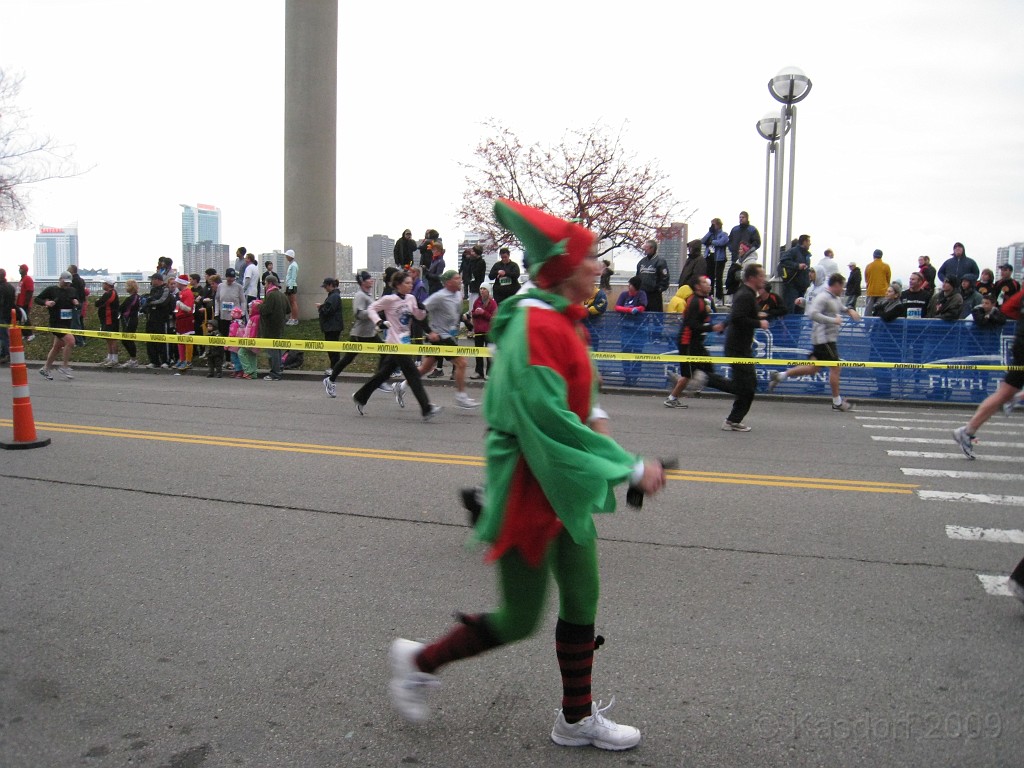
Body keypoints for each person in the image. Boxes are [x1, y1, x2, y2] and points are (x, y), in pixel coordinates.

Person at [387, 198, 666, 750]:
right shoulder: (537, 326)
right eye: (589, 260)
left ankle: (575, 718)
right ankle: (418, 660)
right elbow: (544, 419)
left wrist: (601, 420)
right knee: (520, 617)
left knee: (583, 596)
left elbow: (576, 395)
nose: (599, 268)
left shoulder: (560, 320)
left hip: (564, 480)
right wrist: (627, 467)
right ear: (562, 269)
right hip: (530, 486)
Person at [686, 263, 769, 431]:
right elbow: (738, 318)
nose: (764, 279)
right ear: (752, 278)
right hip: (737, 348)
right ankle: (706, 379)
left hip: (741, 346)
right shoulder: (745, 294)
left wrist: (725, 324)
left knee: (748, 386)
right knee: (746, 387)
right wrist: (759, 322)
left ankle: (732, 419)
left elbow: (734, 315)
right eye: (761, 276)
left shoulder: (747, 294)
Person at [351, 271, 441, 421]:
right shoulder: (389, 299)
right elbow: (372, 309)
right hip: (394, 343)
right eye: (407, 283)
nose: (410, 285)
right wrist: (378, 322)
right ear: (398, 285)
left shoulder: (411, 298)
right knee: (413, 375)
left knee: (383, 374)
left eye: (411, 283)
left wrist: (421, 310)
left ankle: (360, 396)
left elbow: (419, 317)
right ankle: (426, 408)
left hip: (405, 342)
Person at [767, 273, 860, 411]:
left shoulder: (835, 298)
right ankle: (837, 402)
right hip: (824, 339)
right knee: (836, 368)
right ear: (836, 285)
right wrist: (833, 320)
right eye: (842, 287)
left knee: (813, 368)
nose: (843, 290)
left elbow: (841, 308)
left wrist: (850, 311)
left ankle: (780, 376)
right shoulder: (822, 297)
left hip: (828, 339)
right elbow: (812, 314)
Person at [412, 270, 480, 409]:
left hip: (447, 334)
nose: (460, 280)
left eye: (460, 278)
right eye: (456, 278)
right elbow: (420, 312)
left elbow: (455, 314)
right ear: (448, 282)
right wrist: (429, 332)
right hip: (439, 336)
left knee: (425, 368)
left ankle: (400, 386)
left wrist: (467, 322)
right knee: (461, 362)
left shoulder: (458, 295)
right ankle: (461, 397)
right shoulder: (439, 296)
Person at [664, 276, 727, 408]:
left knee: (706, 368)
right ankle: (673, 396)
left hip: (695, 342)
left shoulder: (701, 302)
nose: (708, 286)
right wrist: (712, 327)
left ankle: (678, 384)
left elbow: (702, 321)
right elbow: (692, 324)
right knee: (689, 374)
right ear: (698, 287)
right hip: (687, 341)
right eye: (704, 283)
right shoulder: (695, 302)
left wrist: (715, 327)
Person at [323, 271, 384, 397]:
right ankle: (331, 380)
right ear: (363, 282)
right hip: (359, 334)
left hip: (370, 334)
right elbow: (358, 314)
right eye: (368, 279)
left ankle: (379, 380)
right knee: (347, 359)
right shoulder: (360, 296)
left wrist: (378, 320)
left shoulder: (368, 295)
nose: (371, 280)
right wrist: (373, 312)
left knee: (385, 353)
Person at [34, 271, 79, 380]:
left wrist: (77, 303)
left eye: (69, 283)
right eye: (65, 282)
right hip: (56, 322)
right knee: (71, 341)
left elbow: (78, 303)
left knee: (57, 347)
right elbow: (37, 299)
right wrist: (46, 303)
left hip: (67, 322)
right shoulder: (52, 290)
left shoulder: (72, 290)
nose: (67, 285)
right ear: (60, 279)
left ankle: (45, 368)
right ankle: (64, 366)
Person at [258, 275, 289, 380]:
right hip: (280, 327)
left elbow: (266, 310)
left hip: (270, 328)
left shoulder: (271, 295)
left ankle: (275, 373)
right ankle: (279, 368)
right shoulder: (282, 295)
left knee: (272, 351)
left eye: (265, 283)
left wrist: (259, 306)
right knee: (278, 349)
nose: (265, 286)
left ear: (270, 283)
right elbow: (288, 310)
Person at [143, 272, 173, 368]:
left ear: (157, 280)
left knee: (163, 340)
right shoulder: (153, 290)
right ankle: (154, 361)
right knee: (150, 341)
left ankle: (166, 361)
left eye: (152, 279)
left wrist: (150, 303)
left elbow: (162, 301)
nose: (151, 281)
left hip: (162, 319)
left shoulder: (165, 289)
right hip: (151, 318)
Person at [778, 235, 812, 313]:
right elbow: (783, 261)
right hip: (792, 286)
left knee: (800, 310)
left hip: (802, 288)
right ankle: (789, 325)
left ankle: (797, 325)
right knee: (790, 310)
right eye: (809, 241)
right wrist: (797, 266)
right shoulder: (793, 251)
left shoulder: (806, 255)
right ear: (804, 242)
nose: (810, 244)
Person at [635, 238, 670, 312]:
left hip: (654, 295)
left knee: (656, 317)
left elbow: (665, 278)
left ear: (652, 248)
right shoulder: (641, 262)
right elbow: (637, 276)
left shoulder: (660, 261)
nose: (645, 249)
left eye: (646, 248)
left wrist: (659, 289)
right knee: (642, 316)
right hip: (642, 294)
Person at [470, 284, 497, 379]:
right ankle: (478, 371)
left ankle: (489, 372)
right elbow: (472, 313)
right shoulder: (477, 301)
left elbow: (494, 318)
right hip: (478, 331)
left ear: (488, 291)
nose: (482, 290)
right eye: (481, 288)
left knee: (489, 353)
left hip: (488, 332)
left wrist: (483, 313)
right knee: (478, 352)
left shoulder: (493, 303)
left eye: (484, 289)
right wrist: (475, 313)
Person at [317, 277, 344, 370]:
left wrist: (321, 308)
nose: (325, 288)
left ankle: (334, 367)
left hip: (332, 327)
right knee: (332, 348)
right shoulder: (334, 296)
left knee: (332, 349)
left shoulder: (334, 296)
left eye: (325, 286)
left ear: (330, 285)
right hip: (333, 326)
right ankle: (334, 367)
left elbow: (329, 311)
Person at [700, 220, 729, 303]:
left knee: (718, 277)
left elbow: (722, 242)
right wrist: (710, 232)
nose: (712, 226)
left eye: (714, 225)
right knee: (709, 277)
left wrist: (712, 242)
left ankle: (719, 297)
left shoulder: (723, 234)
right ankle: (710, 296)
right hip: (709, 258)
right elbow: (703, 240)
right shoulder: (711, 234)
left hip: (719, 259)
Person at [94, 277, 120, 367]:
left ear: (108, 284)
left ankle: (115, 359)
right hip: (105, 319)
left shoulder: (111, 293)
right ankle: (109, 357)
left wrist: (98, 301)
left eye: (104, 283)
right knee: (108, 339)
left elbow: (100, 303)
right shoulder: (107, 293)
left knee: (112, 339)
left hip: (111, 319)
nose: (102, 285)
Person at [117, 279, 142, 367]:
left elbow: (123, 308)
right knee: (125, 340)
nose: (125, 288)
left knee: (127, 339)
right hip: (128, 319)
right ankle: (132, 359)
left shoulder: (132, 298)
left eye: (126, 286)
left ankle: (134, 359)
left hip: (130, 320)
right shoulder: (134, 297)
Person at [172, 275, 195, 369]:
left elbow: (188, 308)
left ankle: (188, 361)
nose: (176, 284)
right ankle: (182, 359)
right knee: (180, 341)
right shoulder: (181, 292)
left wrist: (179, 303)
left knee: (187, 340)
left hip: (186, 318)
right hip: (180, 319)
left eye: (177, 282)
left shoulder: (188, 293)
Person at [215, 268, 245, 338]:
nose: (231, 279)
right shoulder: (220, 286)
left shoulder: (239, 287)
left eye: (232, 277)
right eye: (229, 277)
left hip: (235, 317)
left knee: (234, 335)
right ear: (226, 276)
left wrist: (242, 313)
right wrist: (217, 313)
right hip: (223, 316)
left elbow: (243, 301)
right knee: (224, 334)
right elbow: (217, 300)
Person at [863, 248, 890, 316]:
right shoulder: (886, 266)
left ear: (873, 256)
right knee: (880, 309)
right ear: (881, 256)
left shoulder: (868, 266)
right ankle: (878, 325)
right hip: (882, 291)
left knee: (868, 310)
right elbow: (888, 279)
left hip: (871, 291)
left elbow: (866, 279)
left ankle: (867, 324)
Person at [14, 264, 35, 341]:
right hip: (19, 303)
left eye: (21, 268)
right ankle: (24, 334)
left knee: (25, 319)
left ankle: (30, 334)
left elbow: (30, 291)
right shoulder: (21, 280)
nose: (19, 270)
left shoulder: (28, 279)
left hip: (24, 303)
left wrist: (26, 303)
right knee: (21, 318)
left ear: (24, 270)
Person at [0, 269, 16, 364]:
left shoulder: (1, 287)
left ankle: (6, 354)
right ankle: (5, 353)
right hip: (9, 314)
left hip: (1, 314)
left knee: (3, 336)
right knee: (5, 335)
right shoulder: (11, 287)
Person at [284, 249, 300, 324]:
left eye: (287, 256)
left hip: (292, 285)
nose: (286, 257)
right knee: (291, 302)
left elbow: (293, 277)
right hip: (290, 285)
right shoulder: (291, 264)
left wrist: (290, 287)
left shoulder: (293, 265)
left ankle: (295, 318)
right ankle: (292, 317)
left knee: (293, 302)